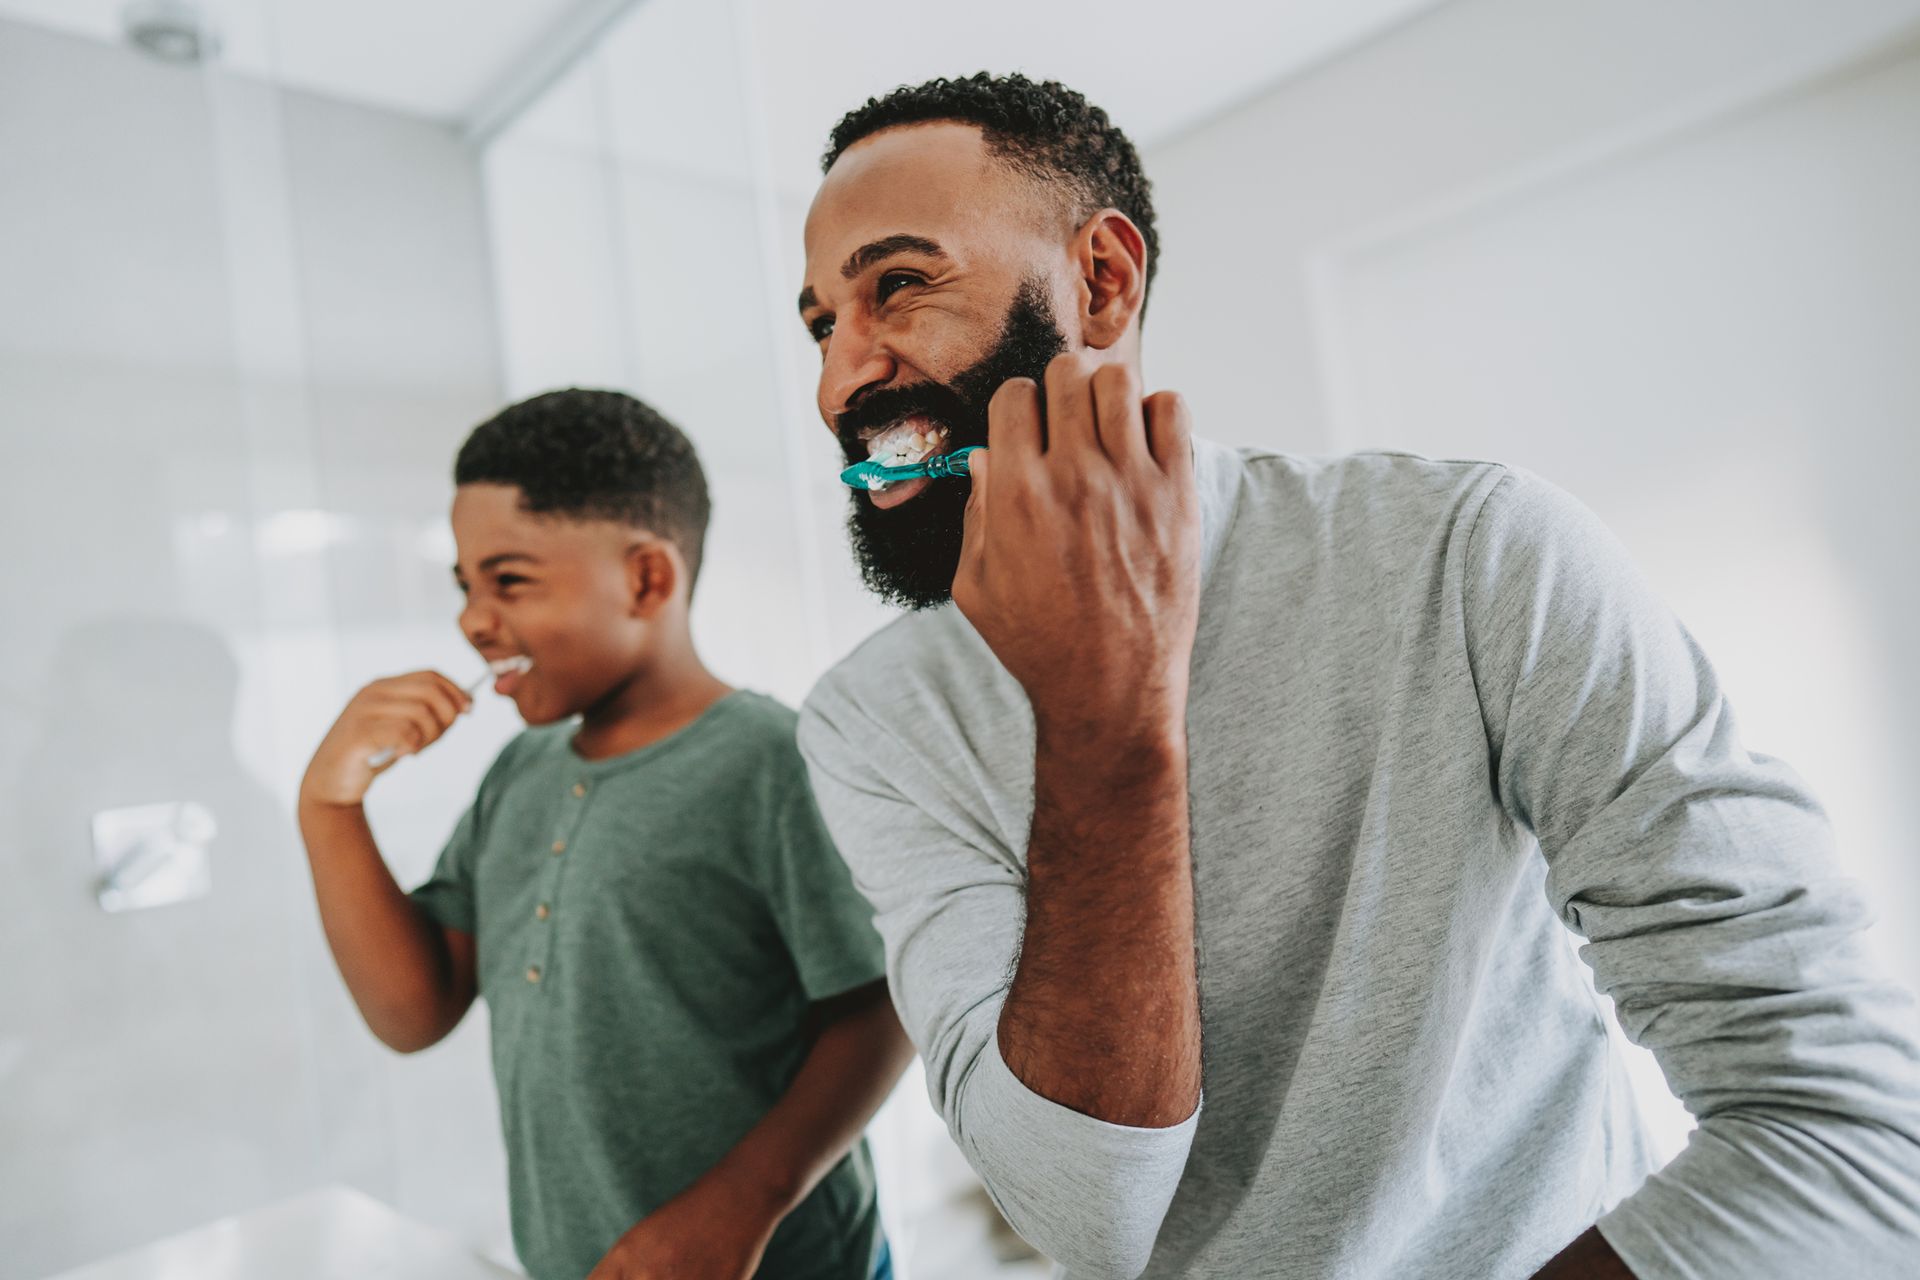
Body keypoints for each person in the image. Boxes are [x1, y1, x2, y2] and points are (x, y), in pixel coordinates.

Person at [791, 73, 1920, 1278]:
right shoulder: (872, 719)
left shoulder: (1475, 554)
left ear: (1102, 284)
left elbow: (1850, 1140)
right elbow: (1087, 1218)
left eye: (898, 286)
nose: (837, 382)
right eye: (819, 324)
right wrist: (1105, 723)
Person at [297, 389, 910, 1280]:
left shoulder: (771, 761)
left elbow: (878, 1008)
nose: (473, 618)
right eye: (464, 585)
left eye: (508, 580)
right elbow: (412, 1012)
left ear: (646, 580)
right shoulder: (521, 770)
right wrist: (329, 806)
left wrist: (740, 1203)